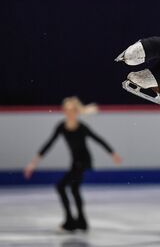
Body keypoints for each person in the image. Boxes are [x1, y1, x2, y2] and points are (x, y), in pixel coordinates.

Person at [23, 97, 122, 232]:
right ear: (64, 111)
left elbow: (98, 139)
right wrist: (33, 163)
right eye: (67, 110)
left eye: (72, 110)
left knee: (61, 186)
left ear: (77, 112)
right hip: (75, 162)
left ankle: (70, 222)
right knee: (74, 189)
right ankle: (81, 222)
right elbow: (49, 144)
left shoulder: (82, 128)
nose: (69, 113)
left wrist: (113, 154)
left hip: (84, 161)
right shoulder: (61, 127)